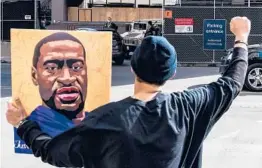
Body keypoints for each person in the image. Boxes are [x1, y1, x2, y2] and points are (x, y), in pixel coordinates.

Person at [6, 16, 250, 168]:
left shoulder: (102, 120)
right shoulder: (189, 107)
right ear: (172, 74)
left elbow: (52, 152)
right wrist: (241, 38)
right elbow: (233, 82)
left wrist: (22, 123)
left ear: (133, 69)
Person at [23, 32, 88, 137]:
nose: (67, 78)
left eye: (76, 67)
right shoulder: (33, 127)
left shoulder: (96, 123)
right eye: (51, 68)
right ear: (35, 76)